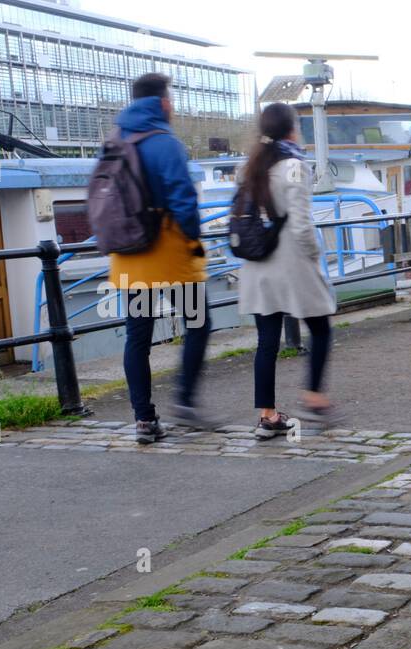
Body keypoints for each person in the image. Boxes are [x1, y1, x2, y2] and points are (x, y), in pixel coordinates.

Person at [107, 73, 213, 444]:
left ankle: (144, 420)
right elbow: (184, 200)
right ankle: (184, 399)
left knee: (137, 338)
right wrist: (195, 238)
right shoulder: (165, 143)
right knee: (198, 324)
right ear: (163, 102)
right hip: (169, 255)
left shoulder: (116, 139)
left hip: (129, 255)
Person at [237, 102, 338, 439]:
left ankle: (267, 416)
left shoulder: (250, 165)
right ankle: (313, 395)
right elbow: (300, 220)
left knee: (266, 342)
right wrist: (313, 253)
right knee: (321, 328)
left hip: (257, 265)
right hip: (291, 263)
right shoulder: (295, 166)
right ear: (291, 129)